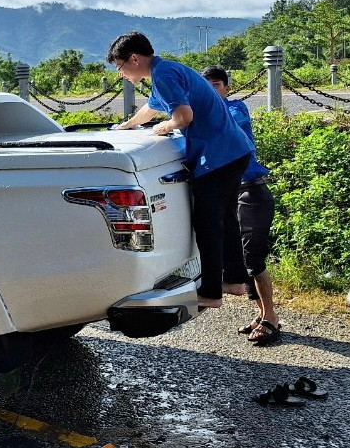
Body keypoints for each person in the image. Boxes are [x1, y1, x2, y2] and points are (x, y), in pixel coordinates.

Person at [107, 32, 254, 308]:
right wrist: (128, 125)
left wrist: (165, 126)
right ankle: (234, 280)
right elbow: (151, 109)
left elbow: (184, 117)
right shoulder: (166, 69)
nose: (121, 74)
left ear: (134, 59)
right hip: (235, 151)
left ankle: (211, 293)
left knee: (207, 224)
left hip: (218, 156)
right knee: (225, 219)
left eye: (120, 67)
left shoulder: (163, 75)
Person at [201, 66, 280, 345]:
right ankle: (261, 315)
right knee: (243, 259)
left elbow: (226, 126)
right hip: (231, 195)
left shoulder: (236, 109)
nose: (212, 90)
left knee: (253, 258)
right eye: (206, 86)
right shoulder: (204, 115)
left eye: (217, 85)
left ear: (227, 88)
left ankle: (271, 317)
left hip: (252, 194)